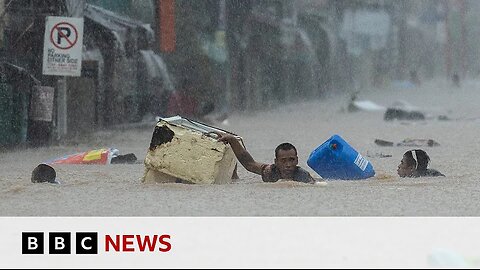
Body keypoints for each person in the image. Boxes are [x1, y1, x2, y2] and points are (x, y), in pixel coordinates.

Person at [215, 132, 315, 183]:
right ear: (276, 162)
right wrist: (232, 140)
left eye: (291, 160)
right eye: (283, 161)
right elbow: (249, 164)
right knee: (235, 181)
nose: (288, 165)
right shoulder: (270, 171)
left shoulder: (303, 176)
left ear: (297, 160)